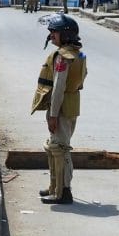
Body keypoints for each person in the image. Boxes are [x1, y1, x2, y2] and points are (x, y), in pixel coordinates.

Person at [31, 14, 87, 204]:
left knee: (60, 149)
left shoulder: (64, 57)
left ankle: (63, 192)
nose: (51, 34)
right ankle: (55, 186)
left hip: (62, 107)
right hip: (70, 105)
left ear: (66, 34)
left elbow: (59, 88)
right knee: (55, 147)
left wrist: (53, 115)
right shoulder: (76, 53)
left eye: (55, 31)